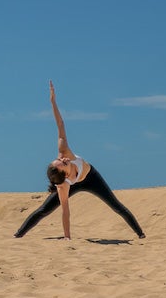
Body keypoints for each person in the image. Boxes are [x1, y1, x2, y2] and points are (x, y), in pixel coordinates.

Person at [14, 82, 147, 240]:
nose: (62, 159)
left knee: (116, 206)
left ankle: (141, 234)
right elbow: (65, 212)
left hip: (91, 178)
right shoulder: (63, 186)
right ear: (63, 174)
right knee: (44, 210)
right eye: (62, 163)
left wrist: (53, 102)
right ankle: (18, 235)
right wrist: (67, 237)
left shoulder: (64, 150)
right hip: (73, 184)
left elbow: (60, 124)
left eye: (59, 159)